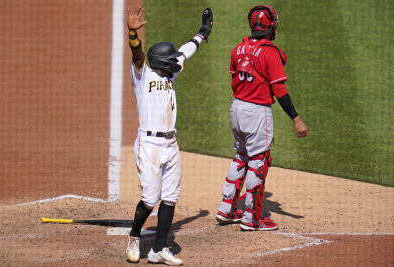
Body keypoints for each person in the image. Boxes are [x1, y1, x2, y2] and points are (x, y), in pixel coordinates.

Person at [125, 7, 213, 265]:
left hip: (171, 143)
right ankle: (133, 236)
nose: (176, 60)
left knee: (171, 197)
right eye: (171, 58)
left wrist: (203, 32)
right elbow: (137, 54)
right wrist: (132, 32)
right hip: (149, 144)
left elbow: (186, 50)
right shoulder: (142, 76)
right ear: (162, 61)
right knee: (150, 198)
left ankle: (158, 250)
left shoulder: (171, 73)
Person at [215, 5, 308, 231]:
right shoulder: (270, 52)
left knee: (241, 156)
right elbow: (280, 90)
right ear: (271, 26)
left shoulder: (238, 49)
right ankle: (252, 218)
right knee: (259, 161)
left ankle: (227, 208)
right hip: (257, 112)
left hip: (236, 107)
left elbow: (234, 80)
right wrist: (296, 118)